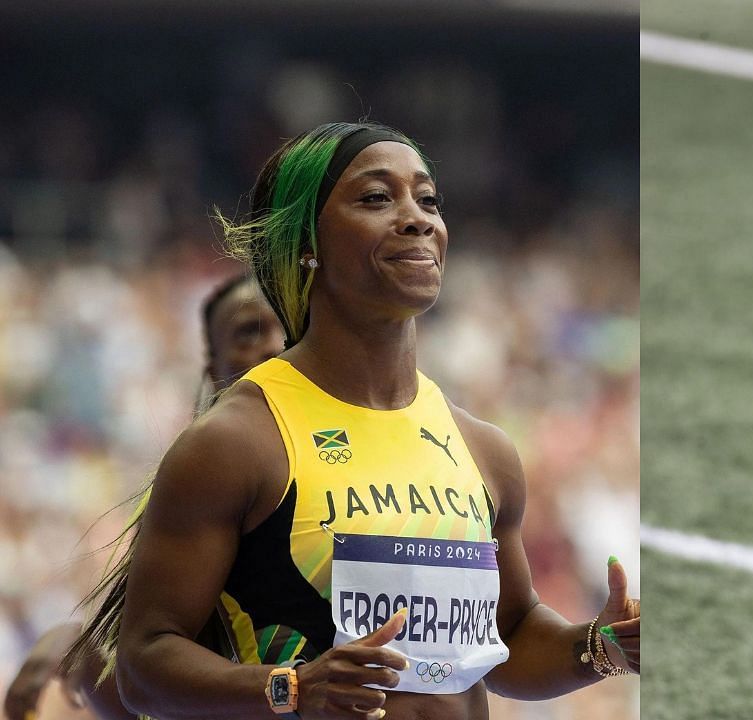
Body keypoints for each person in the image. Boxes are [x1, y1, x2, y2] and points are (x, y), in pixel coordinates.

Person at [92, 121, 638, 720]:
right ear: (308, 241)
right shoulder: (239, 441)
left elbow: (508, 642)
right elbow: (144, 664)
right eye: (377, 198)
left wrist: (602, 647)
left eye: (427, 200)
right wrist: (291, 689)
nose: (417, 218)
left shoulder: (484, 450)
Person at [8, 273, 285, 720]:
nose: (274, 346)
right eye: (248, 333)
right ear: (213, 368)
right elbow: (142, 685)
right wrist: (72, 650)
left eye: (290, 329)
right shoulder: (188, 483)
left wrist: (71, 651)